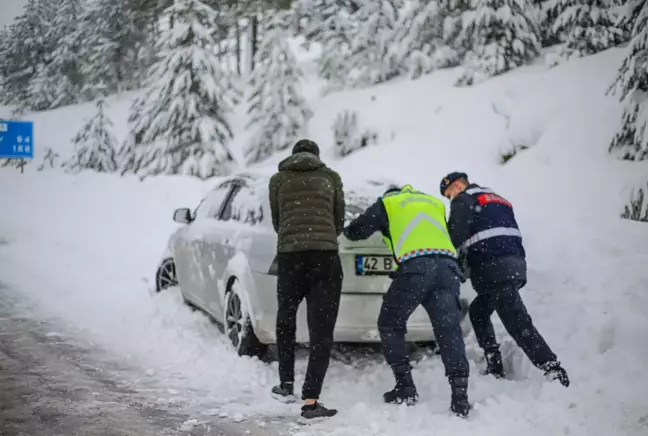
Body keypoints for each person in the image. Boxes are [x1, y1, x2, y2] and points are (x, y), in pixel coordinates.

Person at [343, 184, 471, 417]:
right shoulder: (433, 203)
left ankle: (405, 386)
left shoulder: (388, 203)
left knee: (390, 323)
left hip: (416, 268)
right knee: (449, 330)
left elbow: (356, 231)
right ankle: (460, 397)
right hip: (447, 267)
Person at [440, 172, 569, 387]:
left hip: (492, 265)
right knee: (479, 312)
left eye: (448, 193)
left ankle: (552, 368)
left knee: (515, 319)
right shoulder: (496, 197)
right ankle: (494, 361)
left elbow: (454, 236)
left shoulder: (464, 199)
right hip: (514, 264)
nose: (450, 198)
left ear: (457, 186)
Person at [268, 139, 345, 419]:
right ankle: (311, 402)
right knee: (321, 331)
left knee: (286, 319)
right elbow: (339, 221)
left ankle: (286, 383)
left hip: (290, 258)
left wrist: (297, 239)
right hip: (325, 258)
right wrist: (320, 236)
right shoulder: (331, 177)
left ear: (293, 156)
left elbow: (278, 222)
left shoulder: (278, 179)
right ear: (317, 156)